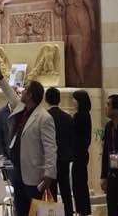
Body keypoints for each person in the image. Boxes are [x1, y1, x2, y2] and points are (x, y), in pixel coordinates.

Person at [0, 63, 56, 216]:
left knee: (35, 211)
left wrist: (49, 174)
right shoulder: (22, 109)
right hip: (18, 171)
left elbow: (50, 148)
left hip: (34, 175)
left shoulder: (44, 118)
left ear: (30, 95)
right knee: (20, 210)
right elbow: (10, 94)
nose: (21, 91)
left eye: (25, 90)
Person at [45, 87, 74, 216]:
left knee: (51, 191)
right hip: (64, 158)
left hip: (49, 159)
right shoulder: (68, 118)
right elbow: (71, 139)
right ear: (59, 100)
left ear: (46, 100)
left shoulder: (44, 117)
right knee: (65, 190)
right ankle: (68, 213)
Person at [71, 90, 92, 216]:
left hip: (78, 154)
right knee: (81, 183)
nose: (73, 102)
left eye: (75, 99)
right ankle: (83, 210)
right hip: (82, 153)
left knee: (78, 184)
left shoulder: (80, 116)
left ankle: (82, 210)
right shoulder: (86, 114)